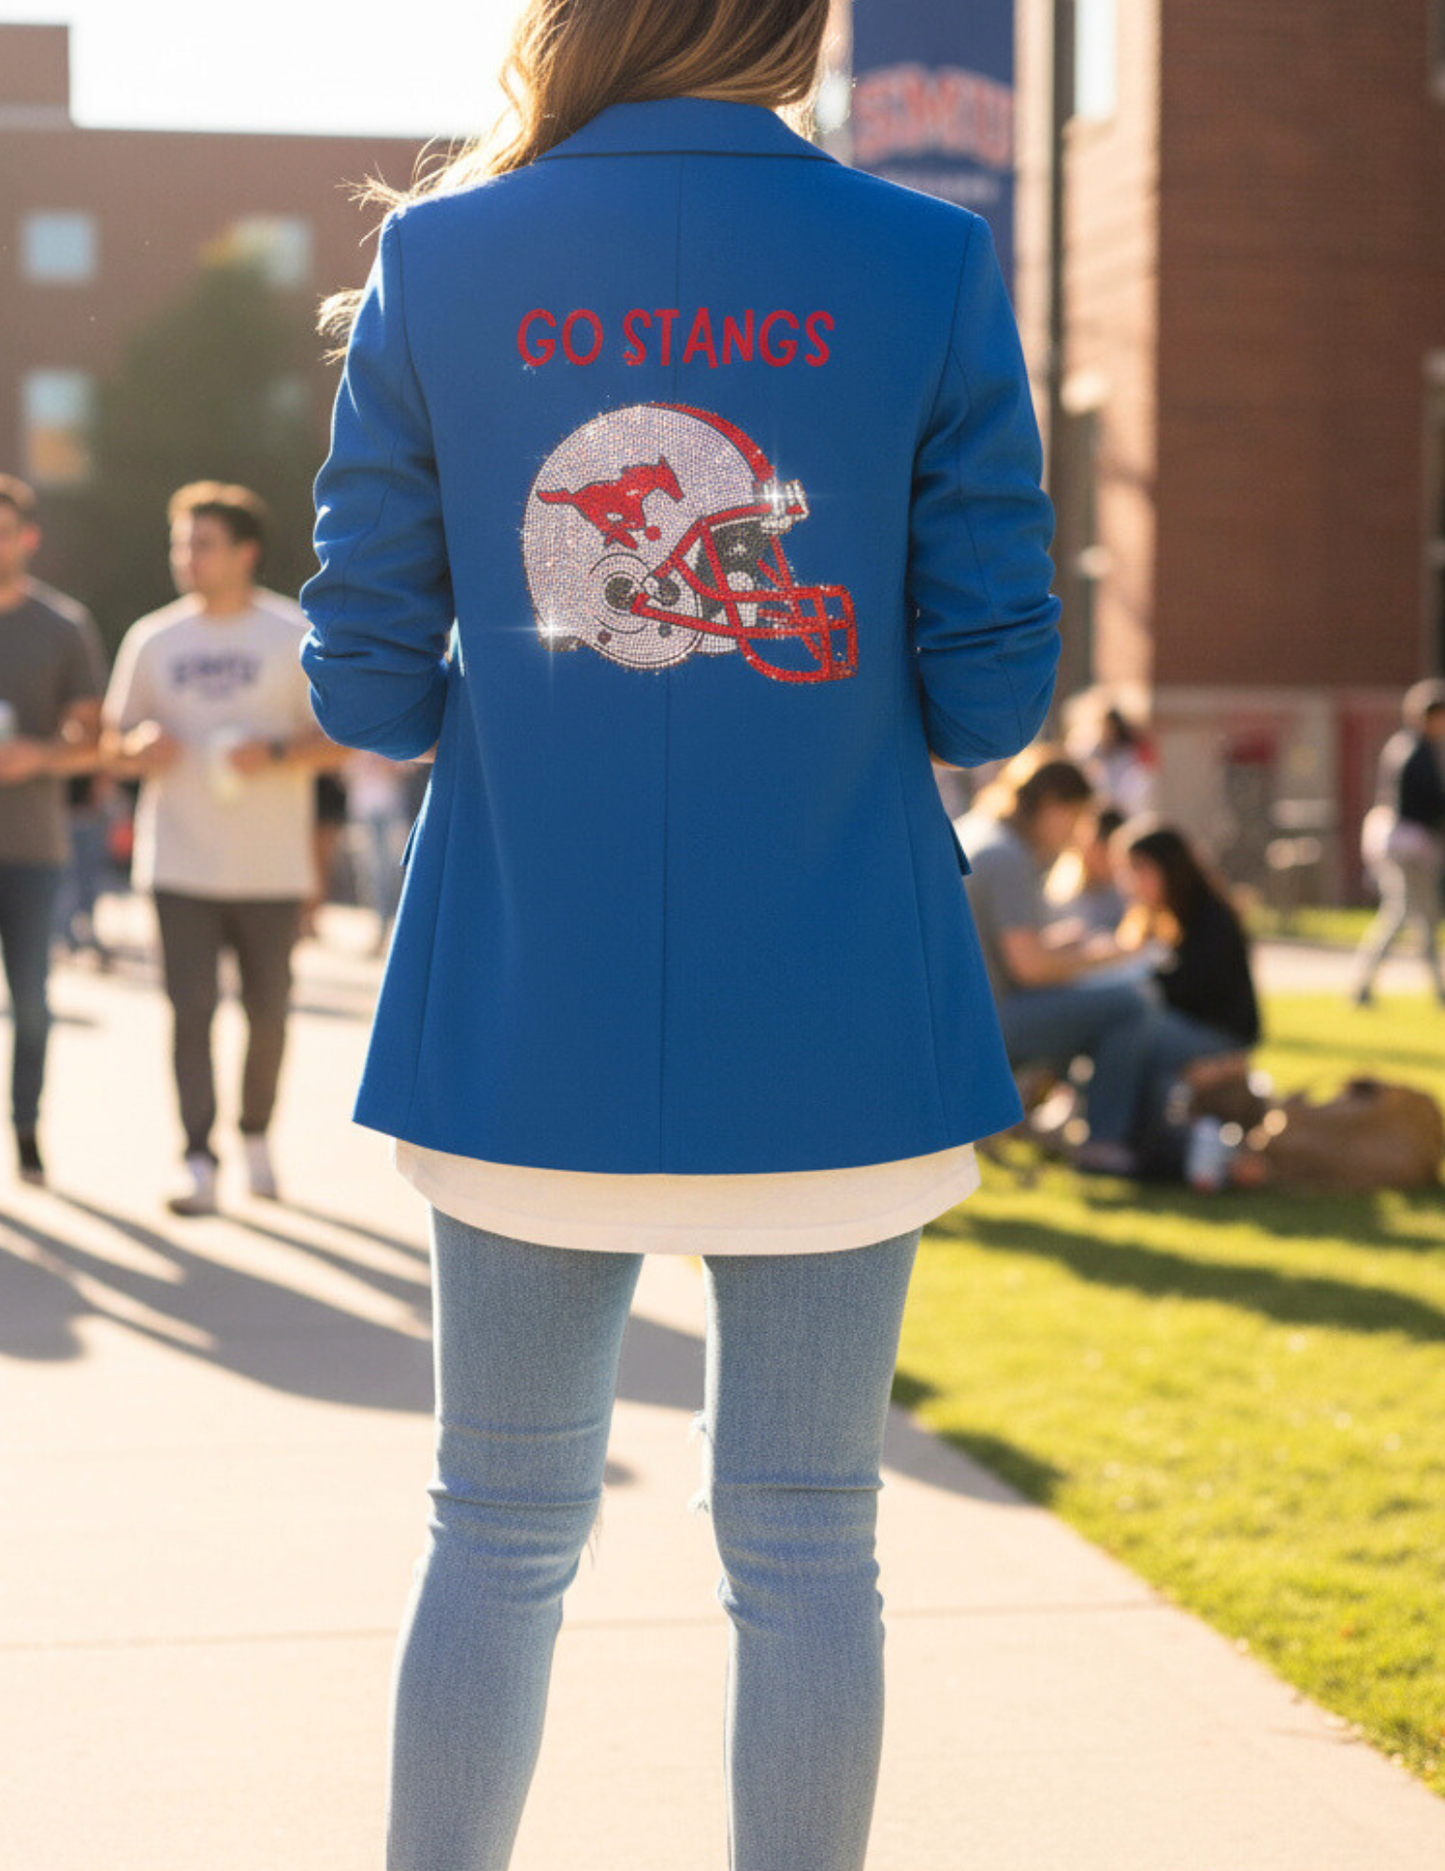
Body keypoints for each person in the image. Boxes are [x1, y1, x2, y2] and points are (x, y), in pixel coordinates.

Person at [299, 3, 1062, 1865]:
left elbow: (373, 697)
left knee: (494, 1532)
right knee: (811, 1543)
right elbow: (992, 691)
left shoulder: (438, 255)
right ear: (797, 25)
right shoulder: (929, 255)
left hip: (525, 1002)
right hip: (831, 1003)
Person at [103, 482, 345, 1215]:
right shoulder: (153, 637)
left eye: (202, 543)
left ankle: (257, 1135)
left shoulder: (293, 631)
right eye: (181, 543)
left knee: (268, 1012)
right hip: (177, 863)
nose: (187, 558)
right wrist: (138, 747)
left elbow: (338, 740)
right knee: (191, 1014)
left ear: (246, 552)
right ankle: (198, 1157)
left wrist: (271, 752)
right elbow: (112, 746)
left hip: (271, 868)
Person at [955, 750, 1160, 1175]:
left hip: (961, 1011)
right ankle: (1101, 1142)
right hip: (988, 1021)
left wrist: (1065, 949)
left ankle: (1033, 1115)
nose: (1076, 835)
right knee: (1130, 1004)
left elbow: (1007, 949)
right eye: (1076, 816)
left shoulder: (976, 830)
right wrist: (1110, 954)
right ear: (1050, 805)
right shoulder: (1007, 855)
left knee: (1103, 1004)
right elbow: (1029, 968)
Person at [0, 474, 107, 1184]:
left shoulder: (62, 626)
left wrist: (39, 753)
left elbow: (95, 742)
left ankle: (27, 1129)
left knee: (32, 1005)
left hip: (31, 850)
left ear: (27, 537)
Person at [1114, 819, 1261, 1150]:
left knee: (1129, 1031)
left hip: (1220, 1036)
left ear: (1168, 868)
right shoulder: (1165, 915)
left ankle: (1123, 1138)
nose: (1130, 882)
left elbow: (1191, 989)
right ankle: (1121, 1131)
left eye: (1138, 869)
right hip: (1193, 1027)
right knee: (1121, 1028)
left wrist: (1138, 976)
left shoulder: (1212, 919)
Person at [1351, 679, 1445, 1005]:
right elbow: (1427, 803)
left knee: (1414, 914)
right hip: (1409, 844)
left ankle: (1434, 986)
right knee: (1408, 913)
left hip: (1401, 841)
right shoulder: (1415, 753)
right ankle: (1365, 984)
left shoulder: (1408, 747)